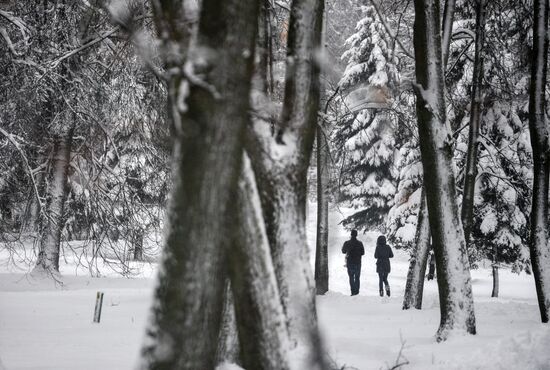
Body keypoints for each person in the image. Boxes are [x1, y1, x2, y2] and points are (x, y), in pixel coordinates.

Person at [342, 229, 365, 296]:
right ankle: (357, 292)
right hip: (358, 262)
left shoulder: (347, 243)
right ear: (356, 235)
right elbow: (363, 253)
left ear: (351, 235)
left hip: (350, 263)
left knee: (351, 277)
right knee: (357, 277)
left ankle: (352, 292)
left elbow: (343, 251)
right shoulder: (360, 243)